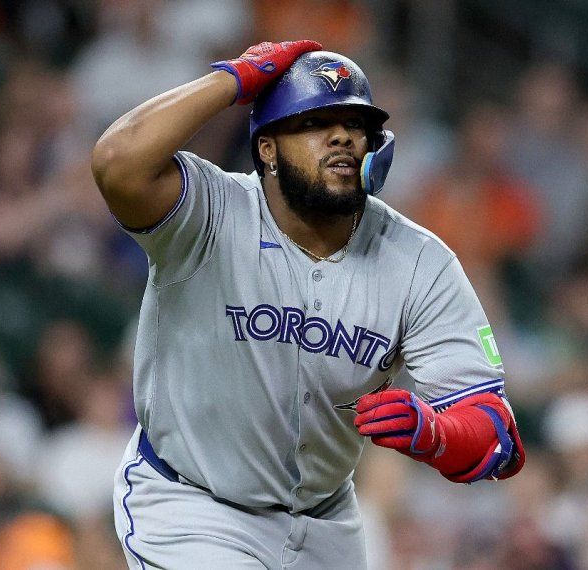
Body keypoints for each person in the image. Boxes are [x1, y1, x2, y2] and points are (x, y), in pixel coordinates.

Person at [91, 40, 526, 569]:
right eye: (315, 121)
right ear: (267, 147)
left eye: (355, 123)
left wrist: (437, 434)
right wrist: (234, 79)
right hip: (194, 507)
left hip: (325, 522)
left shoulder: (419, 263)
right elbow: (117, 163)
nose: (342, 135)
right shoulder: (210, 212)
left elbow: (497, 435)